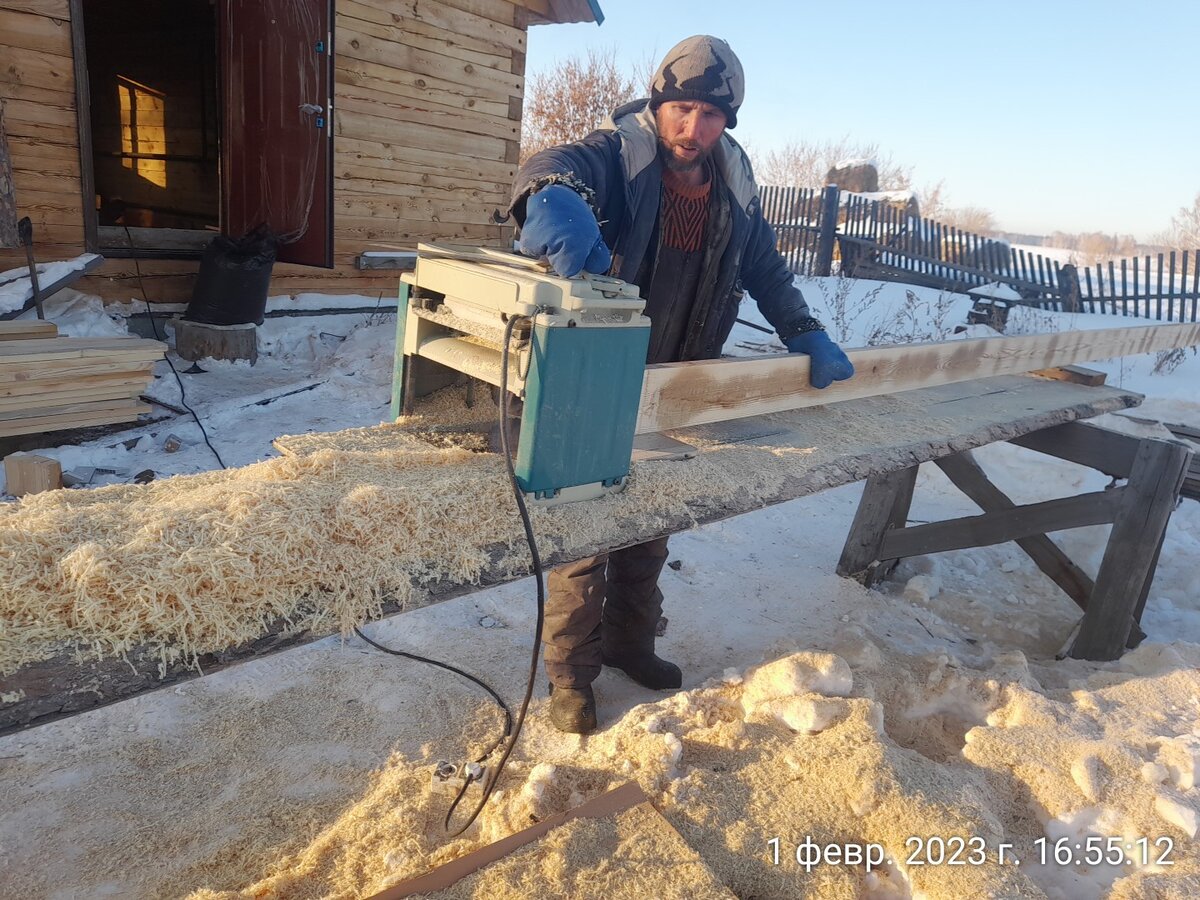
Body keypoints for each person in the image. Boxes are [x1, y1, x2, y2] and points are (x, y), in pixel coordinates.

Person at [508, 35, 855, 734]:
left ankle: (632, 643)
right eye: (681, 108)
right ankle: (573, 674)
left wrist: (803, 329)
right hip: (596, 374)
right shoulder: (617, 158)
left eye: (708, 115)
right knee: (587, 526)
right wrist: (551, 198)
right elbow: (552, 166)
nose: (690, 128)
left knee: (654, 518)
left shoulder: (733, 183)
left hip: (680, 378)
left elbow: (764, 266)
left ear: (728, 122)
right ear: (659, 104)